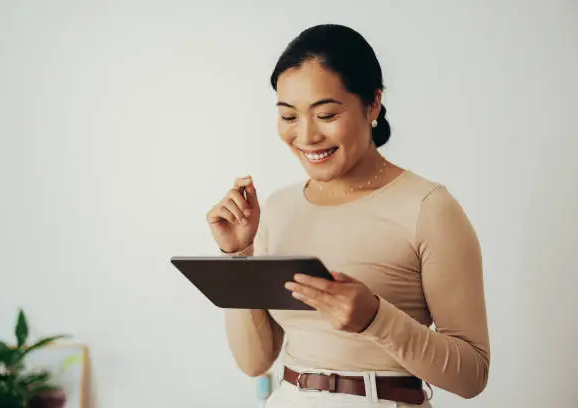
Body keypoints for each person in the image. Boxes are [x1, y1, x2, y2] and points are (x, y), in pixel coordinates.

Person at [206, 24, 490, 407]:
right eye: (289, 117)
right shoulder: (278, 207)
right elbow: (254, 362)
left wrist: (376, 318)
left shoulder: (429, 208)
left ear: (373, 103)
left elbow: (472, 375)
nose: (306, 136)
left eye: (325, 114)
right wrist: (238, 257)